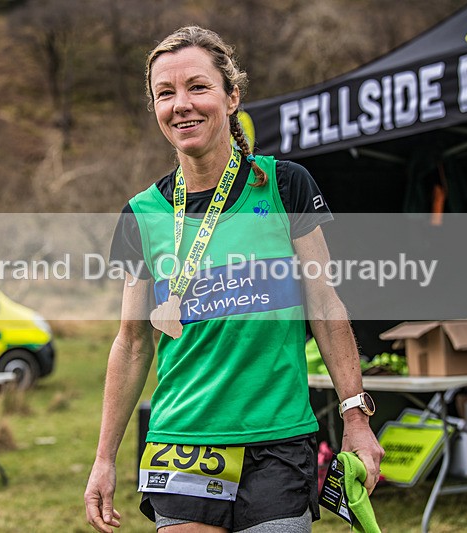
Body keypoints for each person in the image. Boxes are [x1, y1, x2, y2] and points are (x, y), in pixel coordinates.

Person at [84, 26, 383, 533]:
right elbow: (133, 343)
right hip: (181, 439)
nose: (182, 104)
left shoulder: (285, 183)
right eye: (165, 93)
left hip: (278, 438)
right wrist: (105, 457)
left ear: (231, 96)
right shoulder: (142, 214)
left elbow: (325, 306)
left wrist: (355, 418)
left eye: (198, 87)